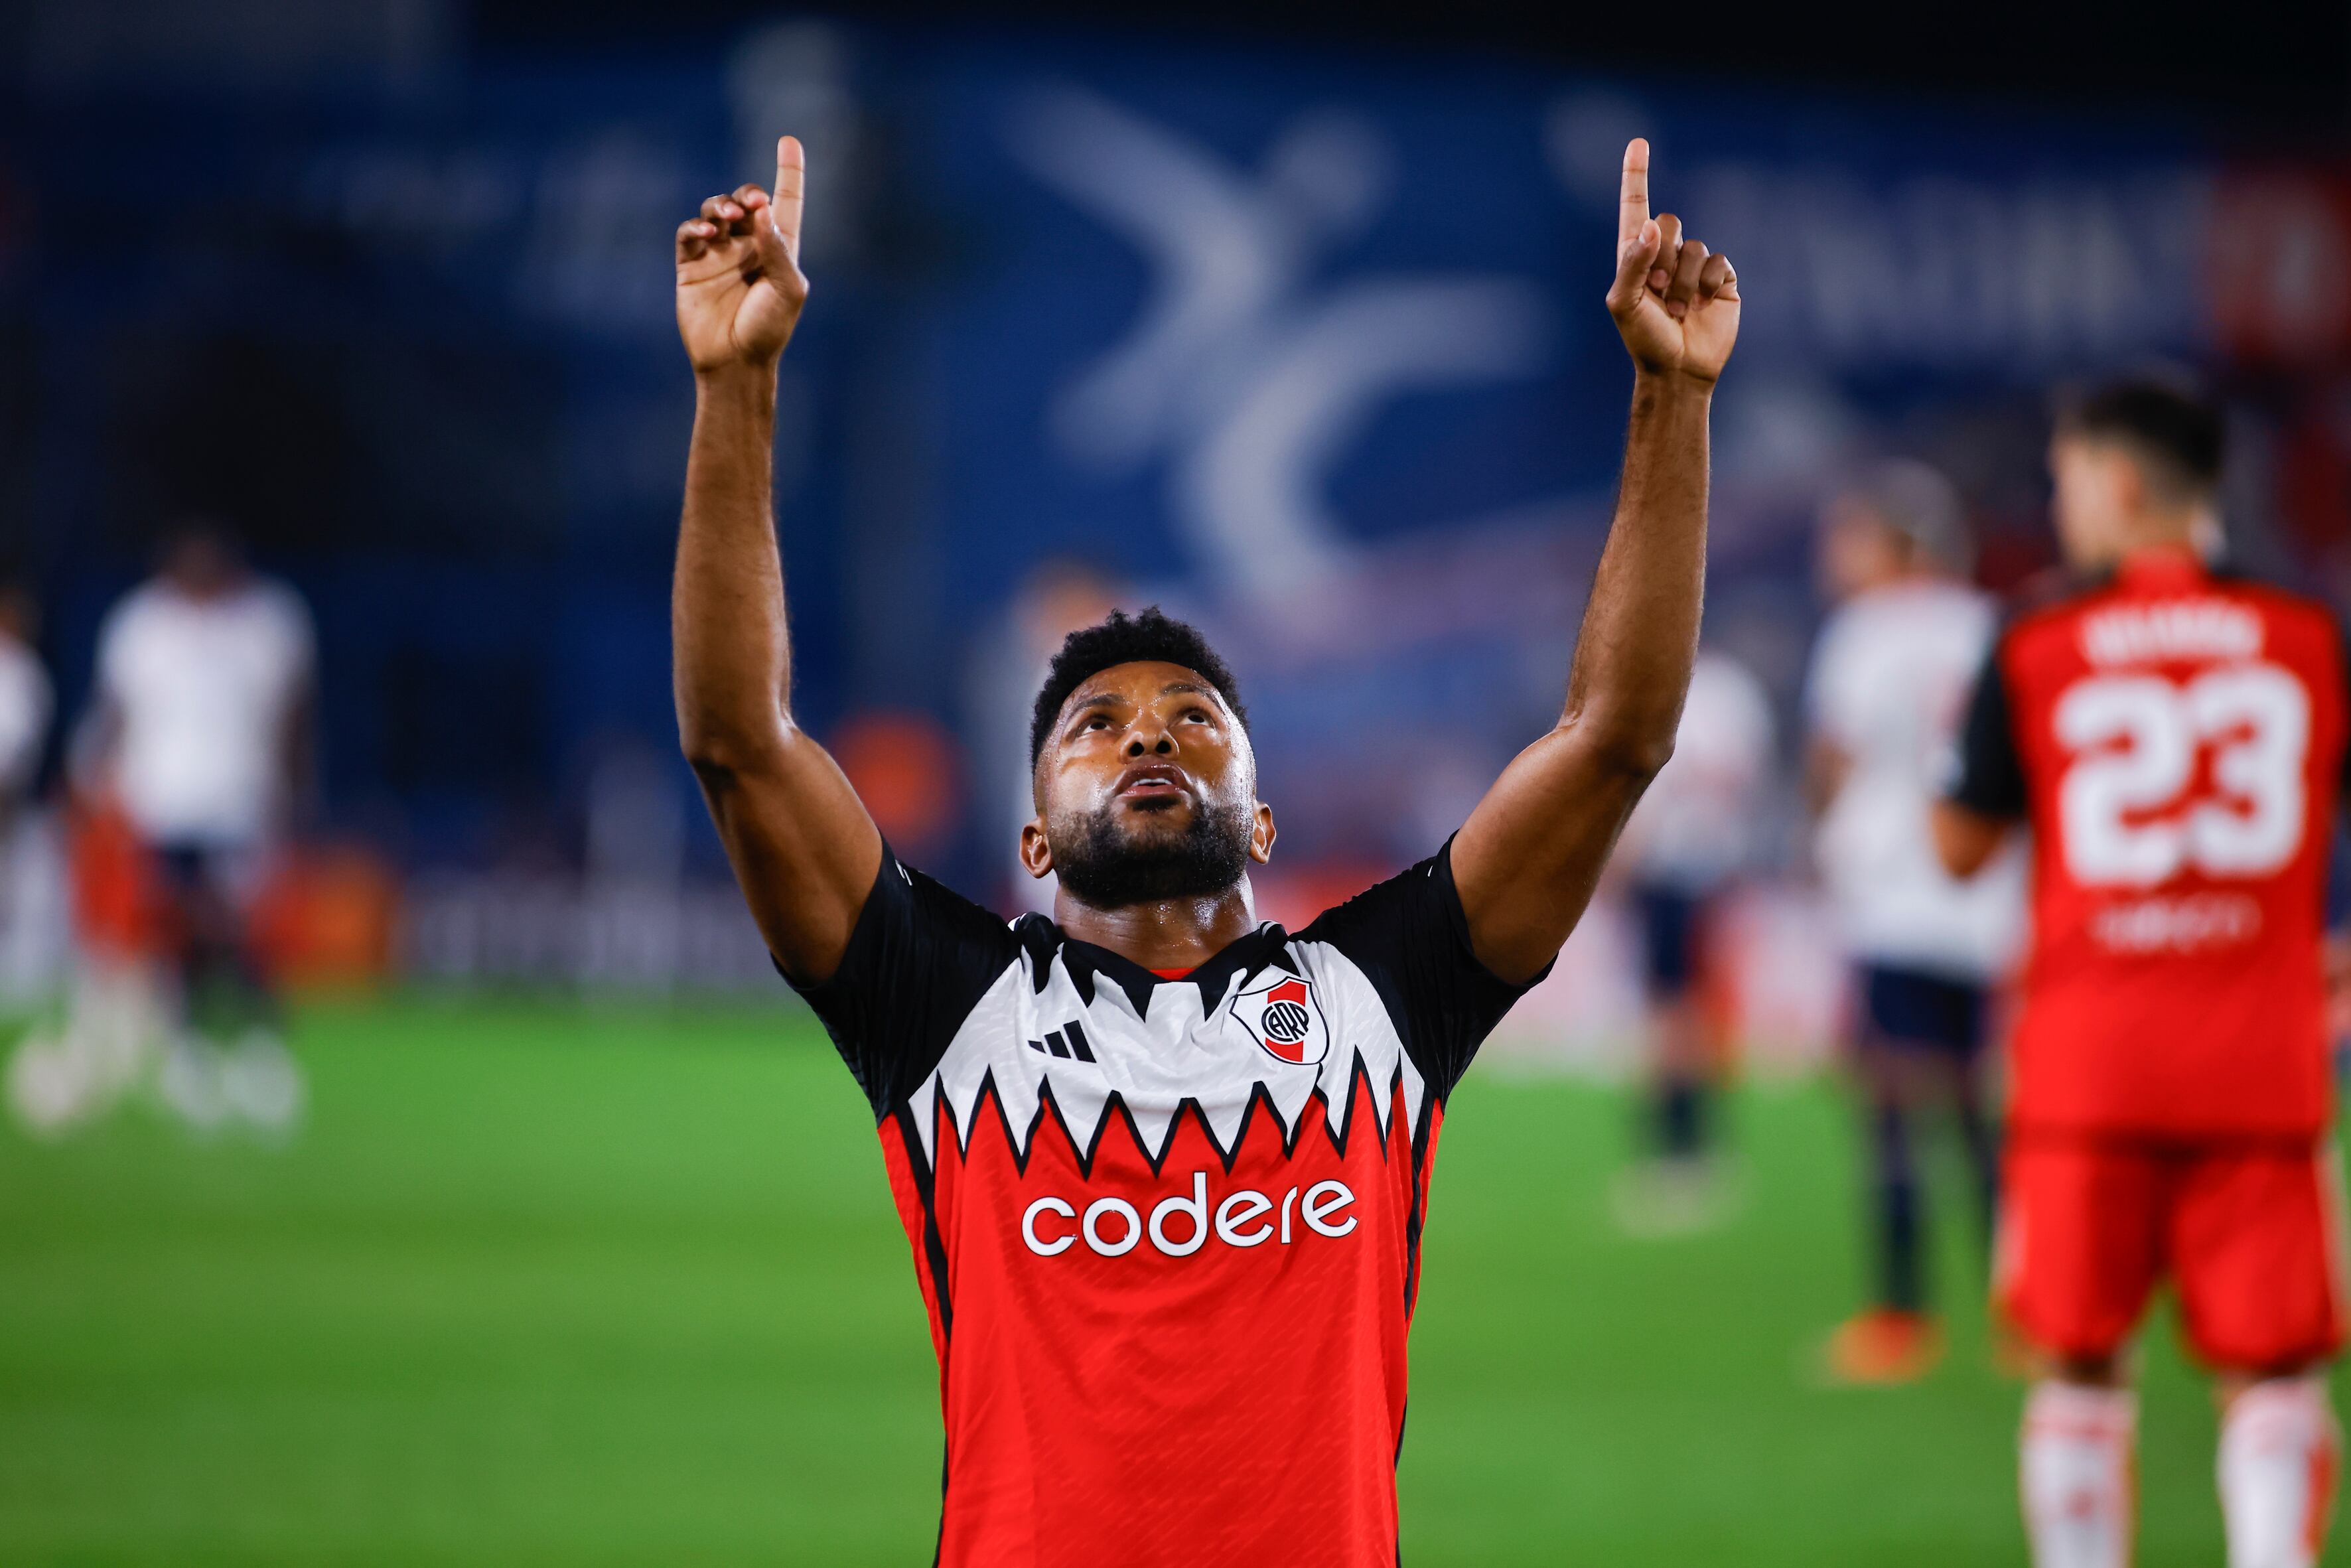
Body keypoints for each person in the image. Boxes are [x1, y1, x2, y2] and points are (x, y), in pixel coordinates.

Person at [672, 135, 1738, 1561]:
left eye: (1192, 716)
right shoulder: (946, 1008)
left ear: (1264, 815)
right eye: (1095, 724)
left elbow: (1612, 739)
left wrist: (1672, 396)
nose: (1149, 736)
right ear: (1034, 834)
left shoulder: (1381, 995)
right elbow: (742, 743)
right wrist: (736, 385)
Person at [1937, 379, 2345, 1568]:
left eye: (2062, 481)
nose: (2058, 505)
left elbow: (1957, 848)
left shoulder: (2035, 637)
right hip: (2261, 1064)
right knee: (2272, 1371)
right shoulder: (2309, 633)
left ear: (2115, 483)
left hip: (2088, 1069)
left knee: (2074, 1363)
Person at [1805, 461, 2023, 1383]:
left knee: (1891, 1104)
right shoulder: (1988, 623)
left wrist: (1820, 837)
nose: (1836, 555)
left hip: (1893, 895)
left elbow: (1833, 756)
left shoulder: (1865, 631)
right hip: (1984, 897)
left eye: (1853, 536)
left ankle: (1900, 1316)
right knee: (1982, 1110)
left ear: (1895, 544)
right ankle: (2023, 1310)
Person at [85, 520, 315, 1132]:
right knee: (174, 928)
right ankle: (185, 1048)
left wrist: (294, 795)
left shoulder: (267, 622)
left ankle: (258, 1045)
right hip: (163, 802)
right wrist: (100, 782)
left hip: (241, 801)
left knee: (244, 928)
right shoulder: (142, 624)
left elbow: (292, 717)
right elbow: (116, 711)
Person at [1610, 642, 1774, 1234]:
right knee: (1694, 1011)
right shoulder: (1736, 694)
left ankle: (1677, 1149)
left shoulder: (1661, 685)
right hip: (1714, 866)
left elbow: (1646, 786)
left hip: (1670, 867)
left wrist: (1621, 859)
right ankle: (1699, 1145)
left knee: (1669, 1013)